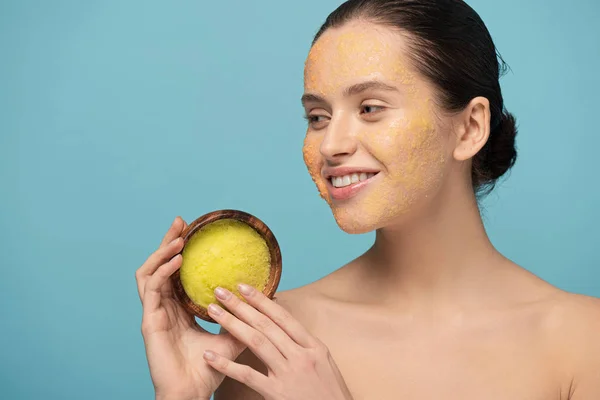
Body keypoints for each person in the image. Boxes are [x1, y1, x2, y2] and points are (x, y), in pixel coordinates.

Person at [135, 0, 600, 399]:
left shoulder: (582, 341)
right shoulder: (271, 341)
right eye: (317, 116)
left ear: (470, 127)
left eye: (370, 108)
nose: (331, 144)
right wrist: (181, 395)